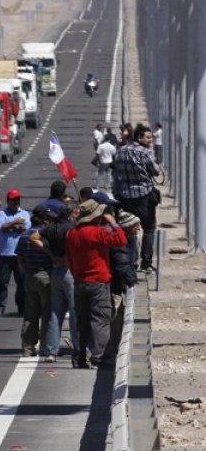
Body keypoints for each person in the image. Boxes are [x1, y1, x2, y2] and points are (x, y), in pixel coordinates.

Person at [65, 199, 127, 369]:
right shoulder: (98, 232)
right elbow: (121, 240)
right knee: (100, 319)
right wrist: (113, 222)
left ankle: (79, 357)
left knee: (81, 321)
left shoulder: (71, 234)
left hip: (79, 281)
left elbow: (69, 259)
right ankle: (99, 357)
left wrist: (77, 273)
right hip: (99, 282)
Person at [32, 200, 80, 363]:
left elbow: (34, 237)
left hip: (56, 270)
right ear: (70, 213)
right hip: (69, 271)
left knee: (55, 313)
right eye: (76, 214)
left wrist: (51, 254)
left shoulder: (51, 227)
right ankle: (78, 347)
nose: (77, 217)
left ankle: (51, 351)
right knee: (75, 311)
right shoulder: (71, 228)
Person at [113, 124, 161, 272]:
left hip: (125, 197)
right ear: (139, 137)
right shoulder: (145, 153)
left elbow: (116, 171)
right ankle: (146, 263)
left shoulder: (120, 151)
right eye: (148, 138)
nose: (150, 141)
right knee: (149, 229)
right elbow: (156, 171)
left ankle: (127, 261)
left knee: (128, 229)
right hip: (143, 197)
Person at [16, 205, 57, 357]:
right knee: (47, 313)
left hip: (30, 276)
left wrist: (27, 270)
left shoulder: (24, 235)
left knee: (30, 314)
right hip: (46, 276)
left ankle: (27, 347)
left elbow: (19, 258)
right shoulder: (45, 236)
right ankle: (45, 347)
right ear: (44, 220)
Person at [103, 209, 140, 364]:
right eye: (136, 226)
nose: (138, 228)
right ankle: (109, 352)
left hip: (119, 284)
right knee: (114, 318)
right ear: (128, 227)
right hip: (114, 286)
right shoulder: (120, 242)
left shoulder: (130, 239)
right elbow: (121, 264)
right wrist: (132, 281)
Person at [0, 189, 31, 316]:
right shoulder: (1, 214)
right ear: (8, 201)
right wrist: (14, 223)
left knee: (21, 283)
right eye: (14, 200)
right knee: (2, 282)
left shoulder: (24, 213)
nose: (16, 202)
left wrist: (11, 227)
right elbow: (1, 227)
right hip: (5, 254)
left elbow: (26, 228)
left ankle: (22, 307)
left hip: (20, 255)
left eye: (18, 199)